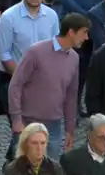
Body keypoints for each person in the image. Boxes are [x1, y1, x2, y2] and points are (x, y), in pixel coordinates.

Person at [8, 15, 90, 157]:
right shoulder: (36, 52)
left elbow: (71, 95)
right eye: (84, 32)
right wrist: (16, 119)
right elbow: (16, 85)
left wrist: (70, 129)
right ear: (71, 32)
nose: (86, 37)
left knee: (50, 169)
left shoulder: (74, 58)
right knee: (22, 167)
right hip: (28, 122)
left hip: (54, 125)